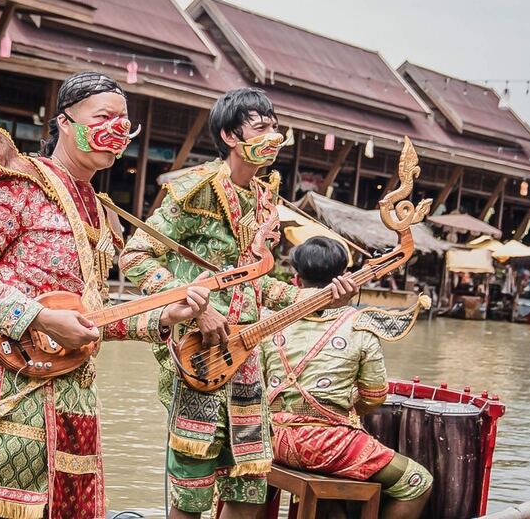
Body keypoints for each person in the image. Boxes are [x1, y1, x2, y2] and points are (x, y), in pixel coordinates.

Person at [0, 71, 211, 519]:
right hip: (13, 389)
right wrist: (38, 319)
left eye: (124, 122)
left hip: (76, 395)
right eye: (103, 116)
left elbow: (93, 317)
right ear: (64, 122)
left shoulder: (102, 212)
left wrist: (165, 315)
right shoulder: (18, 185)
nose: (116, 130)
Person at [120, 88, 357, 519]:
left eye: (275, 126)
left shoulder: (265, 200)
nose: (275, 136)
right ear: (230, 136)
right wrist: (196, 305)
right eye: (262, 127)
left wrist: (322, 297)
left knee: (248, 482)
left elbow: (260, 289)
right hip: (199, 356)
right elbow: (135, 255)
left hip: (247, 356)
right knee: (192, 483)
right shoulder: (195, 191)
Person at [260, 237, 432, 519]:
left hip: (274, 440)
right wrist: (346, 407)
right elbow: (375, 396)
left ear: (295, 280)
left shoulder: (271, 322)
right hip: (329, 446)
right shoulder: (360, 327)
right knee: (418, 482)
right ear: (344, 278)